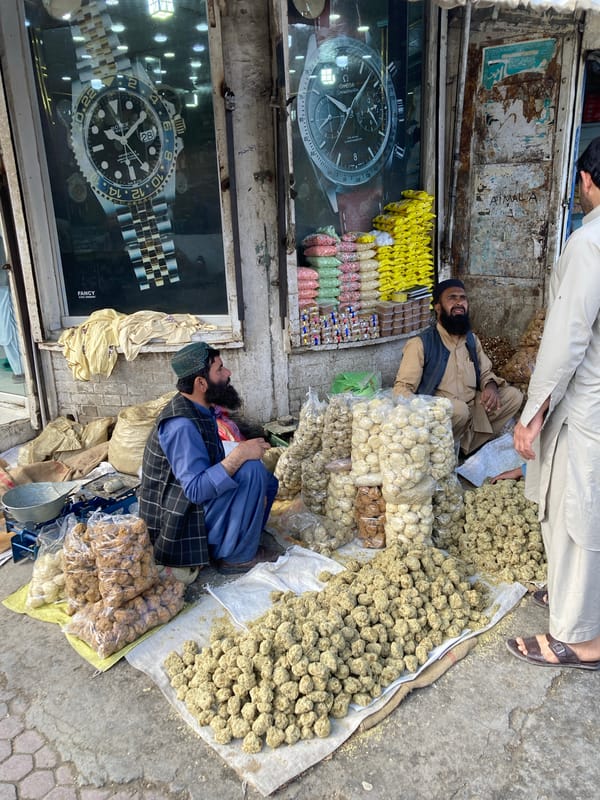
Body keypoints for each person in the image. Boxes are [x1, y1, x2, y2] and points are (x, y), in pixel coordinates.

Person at [507, 137, 600, 670]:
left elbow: (567, 339)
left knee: (575, 515)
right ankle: (578, 601)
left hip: (587, 408)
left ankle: (578, 638)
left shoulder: (589, 245)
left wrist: (532, 414)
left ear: (586, 181)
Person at [138, 341, 280, 582]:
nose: (228, 373)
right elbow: (195, 490)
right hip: (178, 524)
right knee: (252, 470)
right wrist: (240, 454)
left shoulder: (198, 407)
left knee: (266, 480)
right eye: (220, 369)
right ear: (201, 383)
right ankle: (236, 557)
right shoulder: (180, 425)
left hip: (188, 503)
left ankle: (244, 536)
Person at [393, 279, 523, 455]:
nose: (459, 302)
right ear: (438, 307)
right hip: (439, 413)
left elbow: (486, 372)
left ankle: (464, 448)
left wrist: (490, 387)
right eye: (452, 298)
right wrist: (423, 411)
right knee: (459, 410)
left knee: (513, 396)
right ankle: (440, 450)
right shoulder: (420, 343)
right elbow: (402, 389)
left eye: (463, 298)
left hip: (472, 407)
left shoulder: (471, 340)